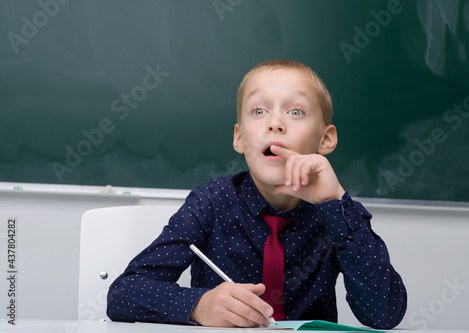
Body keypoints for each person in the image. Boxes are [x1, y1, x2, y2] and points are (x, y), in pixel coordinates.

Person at [106, 59, 407, 329]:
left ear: (325, 139)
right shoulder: (210, 201)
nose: (275, 123)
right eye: (259, 111)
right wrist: (199, 306)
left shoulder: (337, 213)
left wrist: (335, 203)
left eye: (295, 111)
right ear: (239, 137)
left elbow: (385, 314)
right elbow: (123, 294)